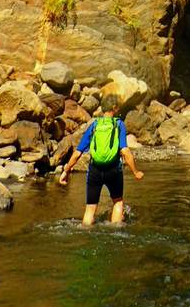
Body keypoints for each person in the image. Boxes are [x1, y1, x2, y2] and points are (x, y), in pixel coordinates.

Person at [58, 94, 144, 225]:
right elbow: (125, 151)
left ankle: (85, 230)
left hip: (95, 170)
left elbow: (78, 152)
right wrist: (135, 172)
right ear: (114, 108)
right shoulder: (118, 125)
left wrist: (66, 170)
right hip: (113, 170)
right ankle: (115, 231)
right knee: (117, 201)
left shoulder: (94, 125)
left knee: (90, 208)